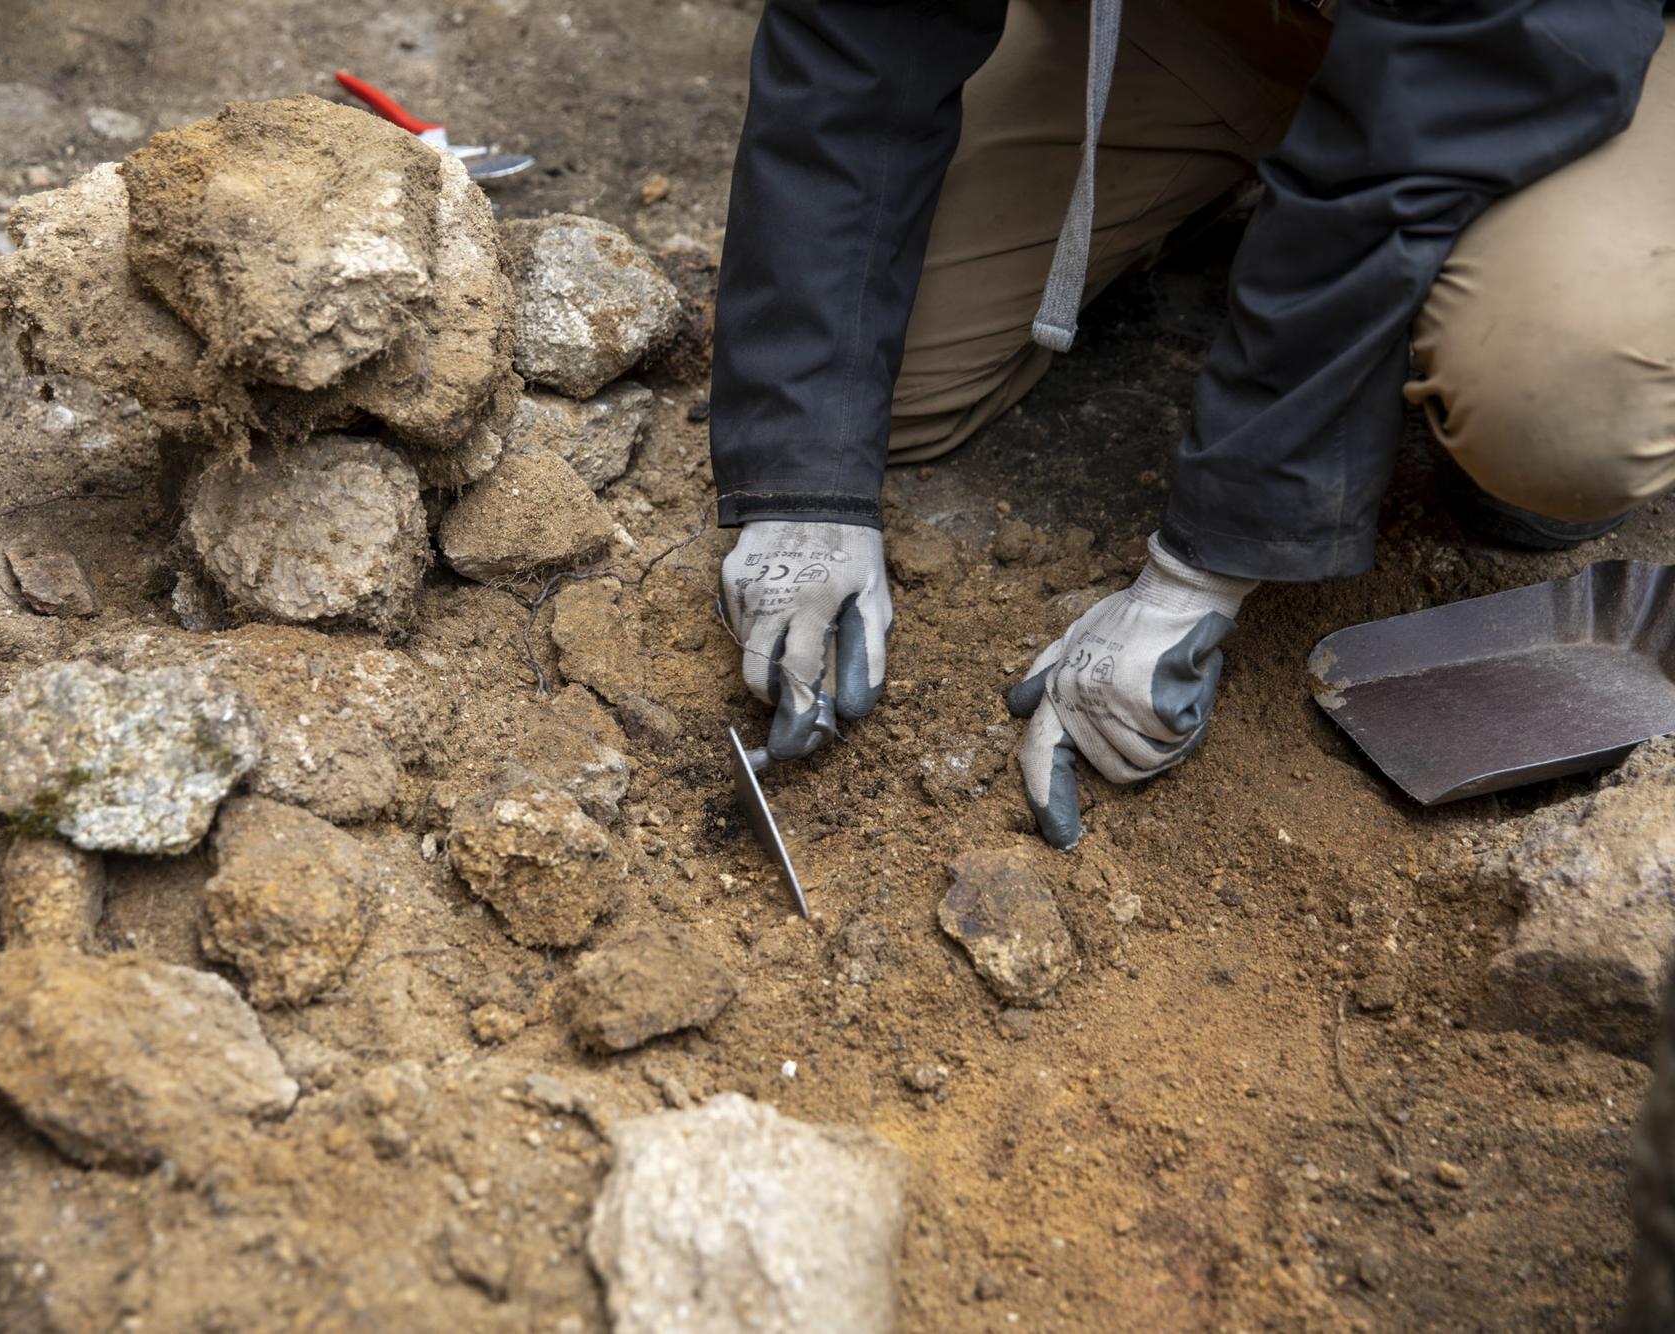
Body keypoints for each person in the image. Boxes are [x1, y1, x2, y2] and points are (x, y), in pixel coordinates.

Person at [712, 0, 1675, 849]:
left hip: (1547, 44)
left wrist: (1196, 575)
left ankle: (1527, 272)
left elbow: (1452, 87)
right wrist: (806, 477)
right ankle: (1255, 164)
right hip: (1225, 21)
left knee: (1555, 408)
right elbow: (860, 38)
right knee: (886, 379)